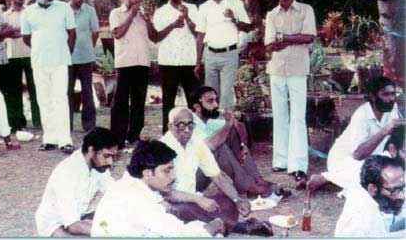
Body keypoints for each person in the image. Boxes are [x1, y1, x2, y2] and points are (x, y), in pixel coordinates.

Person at [159, 107, 273, 237]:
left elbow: (217, 176)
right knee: (177, 211)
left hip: (192, 199)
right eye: (181, 125)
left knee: (228, 202)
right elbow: (166, 194)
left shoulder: (196, 143)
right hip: (171, 204)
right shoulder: (162, 147)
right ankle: (236, 227)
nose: (186, 130)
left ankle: (215, 226)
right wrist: (198, 199)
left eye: (190, 125)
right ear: (170, 126)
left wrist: (237, 200)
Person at [91, 140, 227, 237]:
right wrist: (212, 227)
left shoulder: (133, 185)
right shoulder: (135, 196)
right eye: (167, 171)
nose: (173, 177)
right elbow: (179, 233)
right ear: (147, 173)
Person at [307, 77, 405, 193]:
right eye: (386, 94)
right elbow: (358, 155)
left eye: (393, 94)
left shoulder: (392, 108)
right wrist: (384, 131)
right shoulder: (362, 115)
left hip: (373, 158)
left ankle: (333, 182)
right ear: (373, 97)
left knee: (394, 172)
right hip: (345, 161)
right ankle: (326, 178)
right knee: (376, 176)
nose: (391, 99)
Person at [264, 0, 316, 183]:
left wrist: (283, 38)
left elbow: (309, 36)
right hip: (276, 69)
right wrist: (295, 40)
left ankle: (298, 165)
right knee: (280, 115)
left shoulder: (306, 10)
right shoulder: (271, 15)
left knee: (297, 117)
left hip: (297, 70)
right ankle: (281, 160)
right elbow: (269, 45)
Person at [189, 86, 286, 198]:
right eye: (210, 101)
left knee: (230, 133)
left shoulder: (208, 121)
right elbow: (208, 146)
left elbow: (239, 126)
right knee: (220, 146)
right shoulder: (189, 123)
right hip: (193, 180)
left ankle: (258, 180)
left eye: (216, 100)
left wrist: (243, 146)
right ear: (197, 107)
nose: (216, 105)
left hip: (205, 171)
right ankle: (249, 187)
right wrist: (228, 124)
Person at [22, 0, 76, 153]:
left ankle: (65, 140)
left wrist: (64, 52)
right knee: (44, 100)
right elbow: (26, 37)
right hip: (39, 63)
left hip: (60, 61)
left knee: (60, 99)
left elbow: (72, 33)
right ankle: (49, 139)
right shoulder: (28, 12)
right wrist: (41, 49)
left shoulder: (64, 8)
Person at [35, 127, 118, 237]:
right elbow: (72, 225)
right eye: (107, 156)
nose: (110, 163)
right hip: (55, 224)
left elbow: (115, 192)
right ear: (91, 150)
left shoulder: (99, 166)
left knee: (120, 216)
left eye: (113, 157)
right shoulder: (67, 172)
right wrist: (109, 233)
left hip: (80, 215)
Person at [196, 0, 255, 109]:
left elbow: (248, 28)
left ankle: (227, 128)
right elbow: (200, 36)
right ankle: (212, 127)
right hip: (210, 56)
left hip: (229, 55)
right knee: (209, 95)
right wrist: (198, 62)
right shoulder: (204, 7)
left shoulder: (235, 3)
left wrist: (234, 19)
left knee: (226, 96)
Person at [109, 0, 157, 149]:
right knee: (120, 102)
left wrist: (148, 20)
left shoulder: (143, 14)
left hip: (142, 62)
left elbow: (154, 37)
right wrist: (131, 14)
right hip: (125, 63)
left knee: (139, 102)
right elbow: (118, 34)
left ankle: (135, 135)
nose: (136, 1)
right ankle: (117, 138)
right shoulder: (116, 13)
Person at [153, 0, 200, 133]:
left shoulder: (192, 8)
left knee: (193, 100)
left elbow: (198, 33)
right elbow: (156, 37)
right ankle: (168, 136)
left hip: (189, 61)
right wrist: (173, 25)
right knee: (168, 101)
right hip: (168, 62)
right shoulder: (160, 12)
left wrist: (187, 17)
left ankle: (195, 134)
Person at [2, 0, 41, 131]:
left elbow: (33, 32)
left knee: (35, 89)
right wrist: (23, 31)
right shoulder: (4, 15)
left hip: (31, 55)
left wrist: (15, 31)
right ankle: (18, 123)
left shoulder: (31, 12)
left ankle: (38, 121)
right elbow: (6, 33)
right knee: (15, 91)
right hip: (13, 56)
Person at [334, 155, 404, 237]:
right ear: (372, 189)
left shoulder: (365, 191)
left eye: (402, 188)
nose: (402, 196)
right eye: (394, 190)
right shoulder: (361, 224)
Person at [67, 0, 100, 133]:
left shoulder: (90, 11)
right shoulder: (64, 11)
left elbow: (95, 33)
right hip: (67, 59)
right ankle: (67, 125)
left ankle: (89, 126)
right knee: (67, 92)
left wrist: (88, 49)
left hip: (86, 58)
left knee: (87, 92)